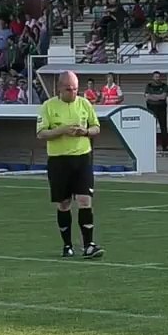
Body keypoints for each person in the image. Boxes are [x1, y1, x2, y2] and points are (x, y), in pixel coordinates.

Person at [37, 71, 104, 259]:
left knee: (85, 200)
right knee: (64, 203)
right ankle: (67, 245)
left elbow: (96, 127)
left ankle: (89, 245)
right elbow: (41, 133)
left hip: (82, 158)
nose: (72, 92)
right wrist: (62, 130)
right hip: (59, 160)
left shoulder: (84, 103)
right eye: (68, 89)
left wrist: (85, 131)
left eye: (75, 89)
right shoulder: (48, 107)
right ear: (59, 88)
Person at [144, 71, 168, 151]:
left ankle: (164, 146)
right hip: (151, 108)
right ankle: (151, 146)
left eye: (158, 77)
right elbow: (147, 97)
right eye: (155, 76)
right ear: (153, 77)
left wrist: (153, 96)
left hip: (162, 108)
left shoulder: (164, 85)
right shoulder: (148, 86)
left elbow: (163, 97)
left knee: (163, 127)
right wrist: (158, 96)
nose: (157, 78)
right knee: (151, 128)